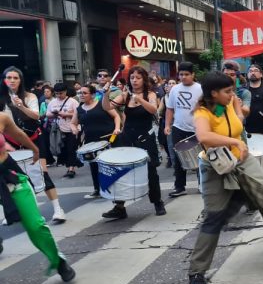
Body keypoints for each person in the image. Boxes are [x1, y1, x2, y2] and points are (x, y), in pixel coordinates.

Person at [187, 72, 263, 284]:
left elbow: (237, 123)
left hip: (243, 160)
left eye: (232, 89)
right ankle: (197, 270)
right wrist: (234, 141)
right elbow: (204, 137)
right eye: (227, 91)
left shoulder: (226, 104)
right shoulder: (203, 112)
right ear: (213, 93)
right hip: (216, 166)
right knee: (214, 218)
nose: (232, 93)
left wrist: (238, 111)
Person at [0, 124, 75, 281]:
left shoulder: (1, 118)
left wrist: (35, 150)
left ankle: (58, 260)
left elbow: (19, 134)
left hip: (10, 179)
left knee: (35, 226)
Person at [0, 68, 67, 223]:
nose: (12, 80)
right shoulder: (1, 99)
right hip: (10, 141)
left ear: (20, 80)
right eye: (8, 77)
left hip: (33, 137)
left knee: (42, 173)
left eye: (15, 77)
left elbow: (36, 116)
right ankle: (23, 211)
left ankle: (58, 209)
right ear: (4, 80)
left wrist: (21, 106)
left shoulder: (29, 96)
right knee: (14, 177)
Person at [101, 66, 166, 219]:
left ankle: (157, 202)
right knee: (122, 172)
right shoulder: (125, 95)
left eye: (138, 77)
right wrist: (106, 94)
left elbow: (153, 110)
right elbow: (107, 107)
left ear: (144, 79)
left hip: (145, 138)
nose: (134, 80)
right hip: (127, 137)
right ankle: (119, 206)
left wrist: (140, 100)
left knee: (151, 172)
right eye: (132, 78)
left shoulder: (150, 94)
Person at [72, 84, 121, 198]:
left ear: (93, 95)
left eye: (84, 93)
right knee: (94, 165)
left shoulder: (101, 104)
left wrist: (117, 128)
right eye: (80, 93)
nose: (81, 95)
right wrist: (74, 129)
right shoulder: (79, 109)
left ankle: (113, 187)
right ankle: (97, 189)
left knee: (109, 164)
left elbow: (116, 116)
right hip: (91, 141)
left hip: (108, 138)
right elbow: (73, 123)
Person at [165, 62, 203, 197]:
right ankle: (179, 187)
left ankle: (202, 184)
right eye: (181, 74)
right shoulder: (174, 89)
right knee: (178, 158)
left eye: (186, 74)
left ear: (193, 75)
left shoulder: (200, 89)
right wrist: (167, 125)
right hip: (178, 128)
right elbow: (170, 109)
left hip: (197, 129)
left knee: (200, 157)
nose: (183, 77)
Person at [46, 82, 79, 179]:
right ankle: (69, 165)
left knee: (71, 148)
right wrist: (55, 114)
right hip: (58, 130)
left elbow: (79, 113)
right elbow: (47, 114)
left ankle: (71, 169)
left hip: (72, 129)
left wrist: (66, 114)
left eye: (61, 93)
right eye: (57, 93)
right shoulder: (52, 102)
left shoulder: (72, 101)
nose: (59, 95)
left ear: (65, 92)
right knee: (62, 149)